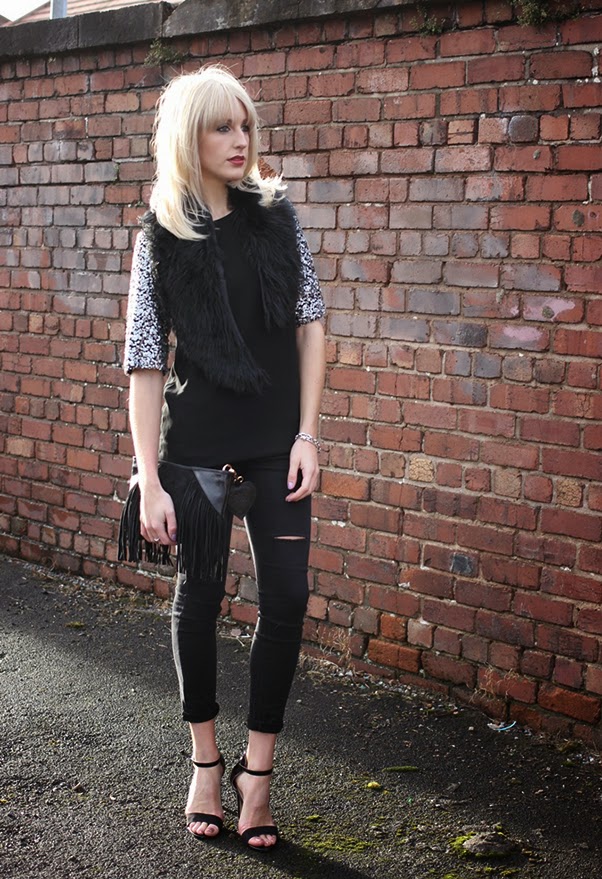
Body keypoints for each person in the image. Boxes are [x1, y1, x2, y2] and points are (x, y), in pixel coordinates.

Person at [123, 65, 326, 851]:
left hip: (278, 444)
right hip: (197, 449)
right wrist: (148, 475)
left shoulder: (277, 218)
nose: (240, 139)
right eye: (221, 126)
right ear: (190, 136)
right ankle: (206, 764)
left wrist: (308, 434)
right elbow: (144, 361)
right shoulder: (159, 235)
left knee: (288, 597)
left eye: (245, 124)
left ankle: (258, 773)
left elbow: (311, 324)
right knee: (198, 599)